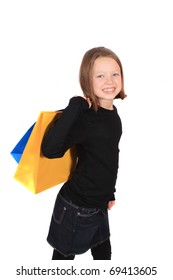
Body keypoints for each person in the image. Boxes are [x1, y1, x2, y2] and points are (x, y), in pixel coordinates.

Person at [41, 46, 126, 260]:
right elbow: (50, 150)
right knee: (63, 260)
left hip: (98, 205)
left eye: (115, 74)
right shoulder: (85, 118)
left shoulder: (113, 114)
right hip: (75, 207)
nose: (110, 81)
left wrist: (110, 192)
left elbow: (108, 157)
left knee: (104, 254)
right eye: (100, 75)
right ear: (87, 81)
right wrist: (74, 106)